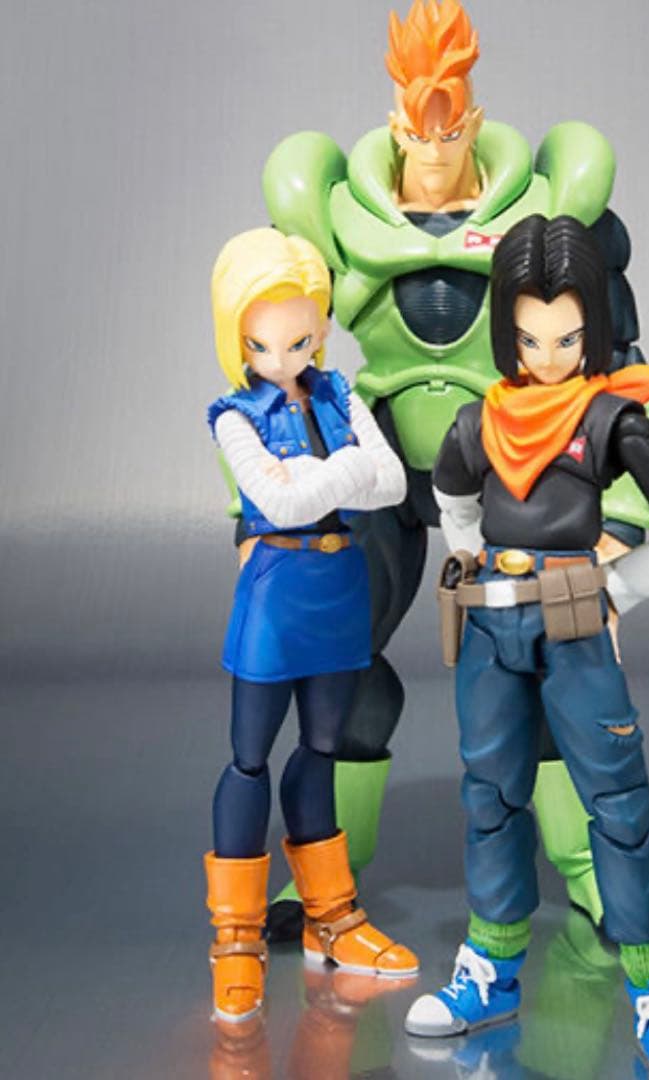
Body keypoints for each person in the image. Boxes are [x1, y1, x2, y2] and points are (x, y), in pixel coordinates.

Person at [261, 0, 649, 940]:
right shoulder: (336, 220)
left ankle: (584, 866)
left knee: (554, 657)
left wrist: (627, 512)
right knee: (339, 662)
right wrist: (259, 504)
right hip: (379, 465)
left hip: (514, 463)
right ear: (394, 121)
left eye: (450, 123)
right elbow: (273, 362)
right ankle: (324, 881)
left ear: (475, 119)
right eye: (418, 123)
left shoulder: (549, 216)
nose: (435, 143)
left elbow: (617, 361)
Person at [405, 215, 649, 1080]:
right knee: (490, 797)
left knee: (616, 802)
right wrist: (468, 561)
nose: (547, 357)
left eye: (567, 338)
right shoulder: (479, 421)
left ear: (594, 331)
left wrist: (615, 589)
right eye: (530, 337)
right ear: (506, 331)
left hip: (576, 623)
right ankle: (489, 968)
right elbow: (452, 502)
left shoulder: (612, 420)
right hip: (490, 630)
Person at [203, 228, 417, 1025]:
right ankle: (236, 932)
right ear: (237, 339)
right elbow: (279, 502)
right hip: (276, 591)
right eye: (262, 344)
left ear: (321, 327)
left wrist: (316, 476)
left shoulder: (338, 394)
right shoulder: (234, 414)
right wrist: (344, 472)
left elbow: (390, 486)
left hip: (338, 583)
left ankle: (331, 914)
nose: (283, 357)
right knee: (249, 758)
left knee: (323, 746)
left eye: (298, 340)